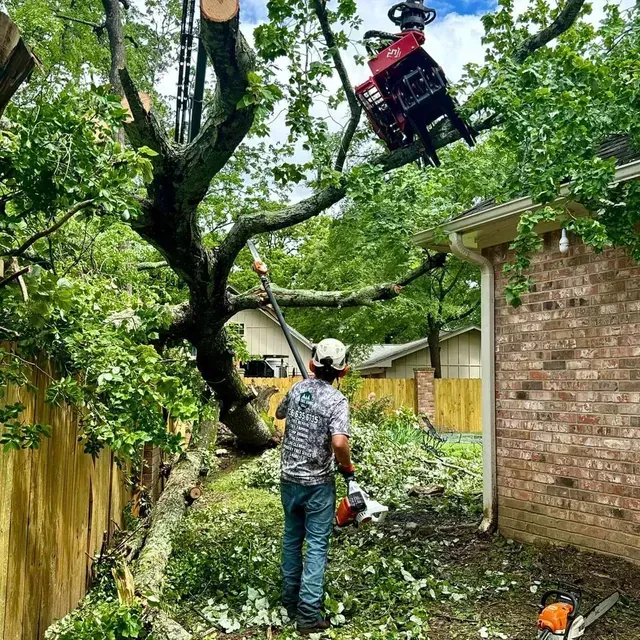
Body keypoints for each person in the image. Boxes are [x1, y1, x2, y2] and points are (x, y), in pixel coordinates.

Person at [275, 338, 355, 634]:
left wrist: (304, 396)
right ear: (342, 371)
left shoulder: (296, 389)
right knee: (317, 545)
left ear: (312, 364)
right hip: (318, 485)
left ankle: (289, 601)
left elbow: (279, 413)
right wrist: (347, 468)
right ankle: (308, 615)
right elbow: (339, 442)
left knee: (292, 539)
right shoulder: (337, 401)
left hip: (289, 481)